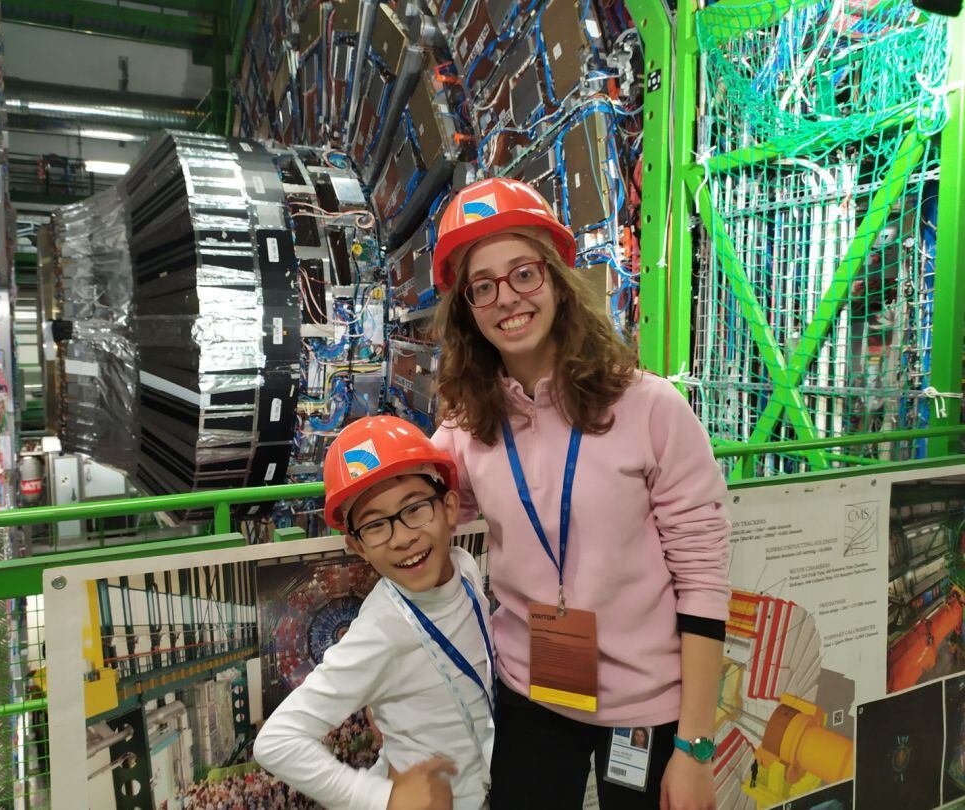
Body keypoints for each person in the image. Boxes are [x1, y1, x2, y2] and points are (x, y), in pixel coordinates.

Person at [429, 178, 730, 810]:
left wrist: (696, 748)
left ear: (558, 279)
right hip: (530, 695)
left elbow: (702, 581)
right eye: (482, 287)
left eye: (523, 275)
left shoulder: (650, 409)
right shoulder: (466, 429)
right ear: (468, 312)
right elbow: (421, 523)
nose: (506, 298)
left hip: (645, 709)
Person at [254, 415, 494, 810]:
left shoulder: (465, 568)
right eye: (376, 525)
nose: (402, 538)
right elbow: (277, 740)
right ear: (357, 545)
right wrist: (383, 798)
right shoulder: (382, 629)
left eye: (414, 509)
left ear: (450, 507)